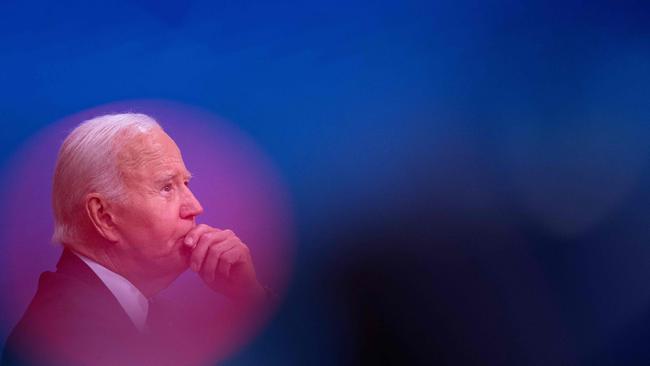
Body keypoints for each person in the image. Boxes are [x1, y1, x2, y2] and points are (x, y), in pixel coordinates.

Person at [2, 113, 270, 365]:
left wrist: (249, 295)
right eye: (167, 187)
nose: (195, 206)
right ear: (104, 216)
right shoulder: (68, 337)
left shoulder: (146, 314)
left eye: (185, 184)